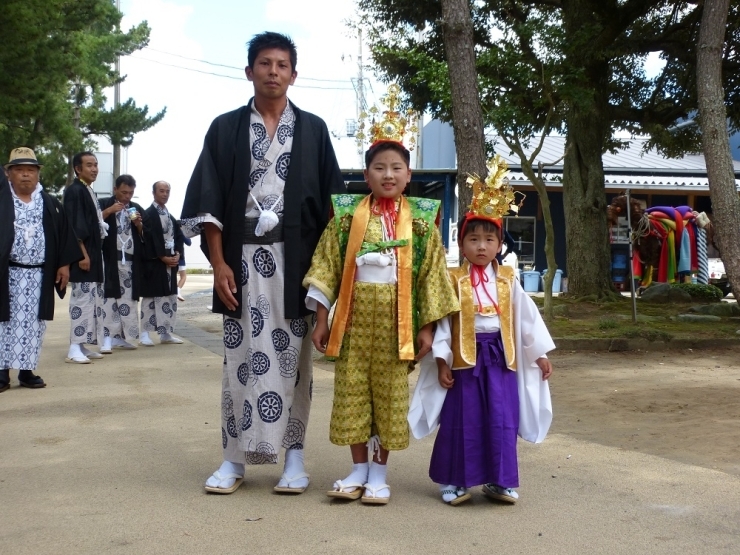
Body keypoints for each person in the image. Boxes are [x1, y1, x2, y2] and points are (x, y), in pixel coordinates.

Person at [181, 31, 345, 495]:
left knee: (296, 363)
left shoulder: (312, 130)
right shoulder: (225, 128)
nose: (273, 72)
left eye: (282, 65)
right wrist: (218, 263)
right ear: (249, 70)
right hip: (241, 263)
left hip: (296, 265)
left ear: (294, 74)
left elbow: (333, 207)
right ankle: (234, 460)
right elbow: (210, 202)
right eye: (265, 63)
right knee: (240, 362)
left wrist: (329, 277)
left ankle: (294, 460)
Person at [303, 131, 460, 505]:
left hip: (397, 325)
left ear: (408, 175)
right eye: (379, 168)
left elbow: (430, 277)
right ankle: (358, 469)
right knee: (352, 394)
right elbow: (325, 267)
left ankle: (379, 473)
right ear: (366, 173)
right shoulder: (345, 218)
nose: (388, 175)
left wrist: (425, 328)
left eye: (396, 168)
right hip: (354, 322)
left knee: (389, 398)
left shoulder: (422, 222)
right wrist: (322, 319)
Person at [408, 156, 554, 506]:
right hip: (463, 361)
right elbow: (444, 322)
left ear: (498, 244)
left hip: (501, 358)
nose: (481, 246)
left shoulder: (508, 280)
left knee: (502, 418)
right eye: (473, 239)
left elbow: (526, 318)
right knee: (464, 420)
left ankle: (499, 481)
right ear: (462, 243)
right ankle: (456, 481)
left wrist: (539, 353)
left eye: (489, 239)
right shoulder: (452, 280)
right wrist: (442, 362)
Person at [1, 148, 82, 391]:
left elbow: (65, 236)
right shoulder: (3, 201)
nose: (25, 175)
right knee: (4, 323)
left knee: (33, 324)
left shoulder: (50, 204)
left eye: (30, 170)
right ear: (8, 174)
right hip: (8, 275)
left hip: (39, 275)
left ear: (38, 174)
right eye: (19, 170)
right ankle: (2, 373)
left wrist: (65, 265)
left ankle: (26, 372)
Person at [63, 151, 108, 363]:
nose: (94, 169)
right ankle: (73, 347)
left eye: (96, 164)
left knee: (93, 301)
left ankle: (82, 344)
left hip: (93, 252)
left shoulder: (88, 190)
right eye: (89, 165)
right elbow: (74, 224)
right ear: (77, 169)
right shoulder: (75, 191)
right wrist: (82, 254)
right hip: (83, 254)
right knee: (81, 301)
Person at [99, 174, 147, 353]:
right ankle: (106, 338)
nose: (127, 197)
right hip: (109, 259)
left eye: (131, 193)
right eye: (124, 192)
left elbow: (144, 234)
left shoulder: (135, 208)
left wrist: (138, 225)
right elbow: (92, 224)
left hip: (129, 262)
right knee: (108, 299)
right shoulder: (104, 203)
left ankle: (122, 337)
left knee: (128, 300)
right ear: (115, 190)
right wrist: (109, 211)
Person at [140, 181, 183, 346]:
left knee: (169, 298)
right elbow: (149, 238)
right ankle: (145, 333)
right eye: (161, 191)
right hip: (154, 263)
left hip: (170, 262)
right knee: (151, 298)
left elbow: (178, 237)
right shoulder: (148, 214)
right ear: (154, 193)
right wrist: (161, 256)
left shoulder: (170, 216)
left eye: (167, 191)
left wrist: (177, 253)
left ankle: (166, 333)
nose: (164, 194)